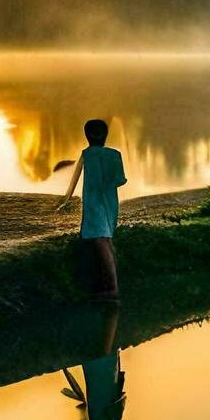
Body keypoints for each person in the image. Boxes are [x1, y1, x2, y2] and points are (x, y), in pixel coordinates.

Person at [57, 119, 127, 299]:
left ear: (87, 135)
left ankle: (112, 289)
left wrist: (66, 199)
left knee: (100, 241)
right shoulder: (115, 155)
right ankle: (106, 285)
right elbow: (120, 180)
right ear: (106, 135)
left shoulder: (87, 154)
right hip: (109, 202)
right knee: (106, 240)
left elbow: (75, 178)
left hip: (94, 203)